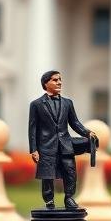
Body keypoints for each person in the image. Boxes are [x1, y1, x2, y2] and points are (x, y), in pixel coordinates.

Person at [28, 71, 97, 209]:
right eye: (55, 80)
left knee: (70, 171)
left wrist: (87, 133)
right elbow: (32, 128)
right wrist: (33, 149)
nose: (59, 82)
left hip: (65, 144)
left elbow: (75, 123)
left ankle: (69, 198)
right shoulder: (36, 104)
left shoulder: (67, 103)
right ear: (46, 83)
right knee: (47, 175)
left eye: (60, 79)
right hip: (46, 146)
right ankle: (49, 201)